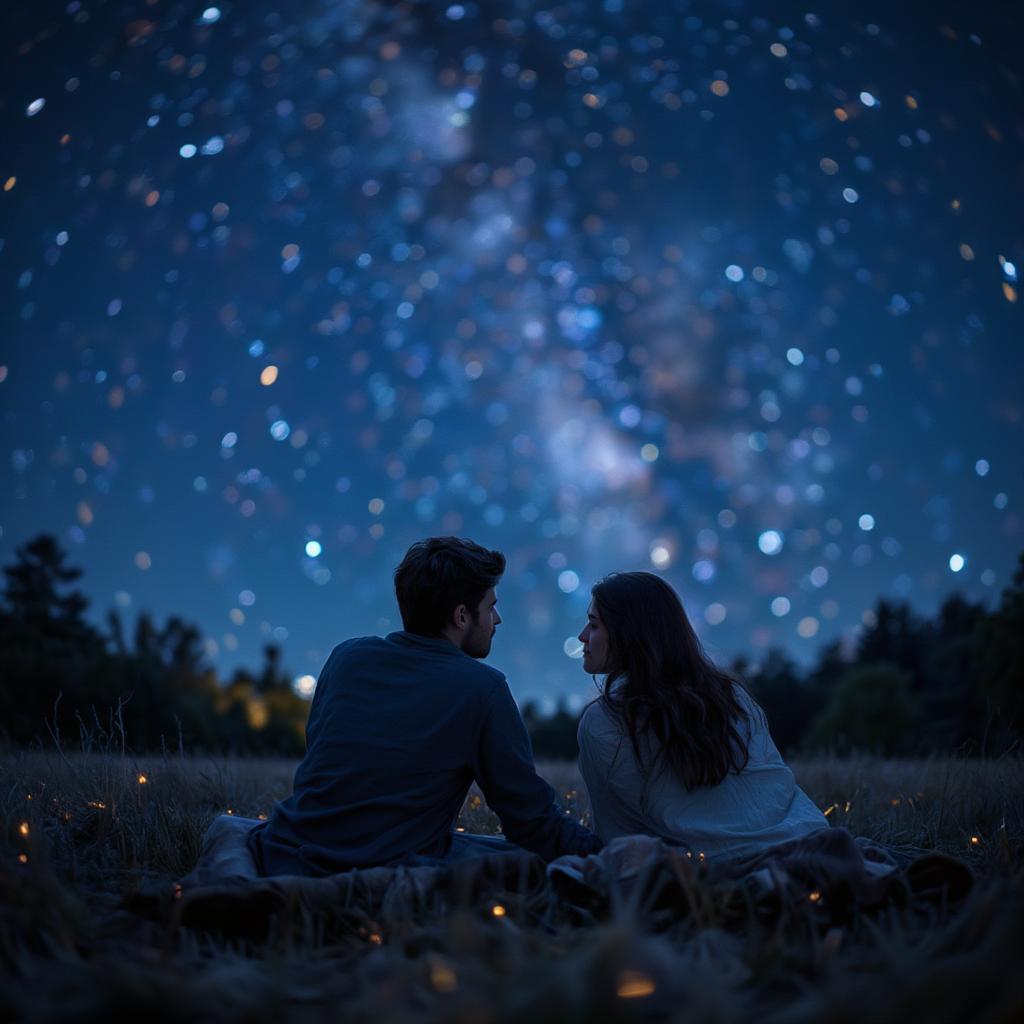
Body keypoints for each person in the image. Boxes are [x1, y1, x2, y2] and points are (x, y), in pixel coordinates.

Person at [249, 536, 602, 876]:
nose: (497, 619)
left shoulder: (346, 657)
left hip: (287, 849)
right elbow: (531, 822)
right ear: (462, 616)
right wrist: (608, 854)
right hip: (386, 866)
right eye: (491, 606)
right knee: (524, 864)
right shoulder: (482, 688)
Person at [575, 571, 827, 861]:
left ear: (628, 636)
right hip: (807, 841)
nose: (583, 636)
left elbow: (617, 837)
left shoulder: (603, 721)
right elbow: (775, 789)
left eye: (593, 625)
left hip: (724, 867)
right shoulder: (731, 695)